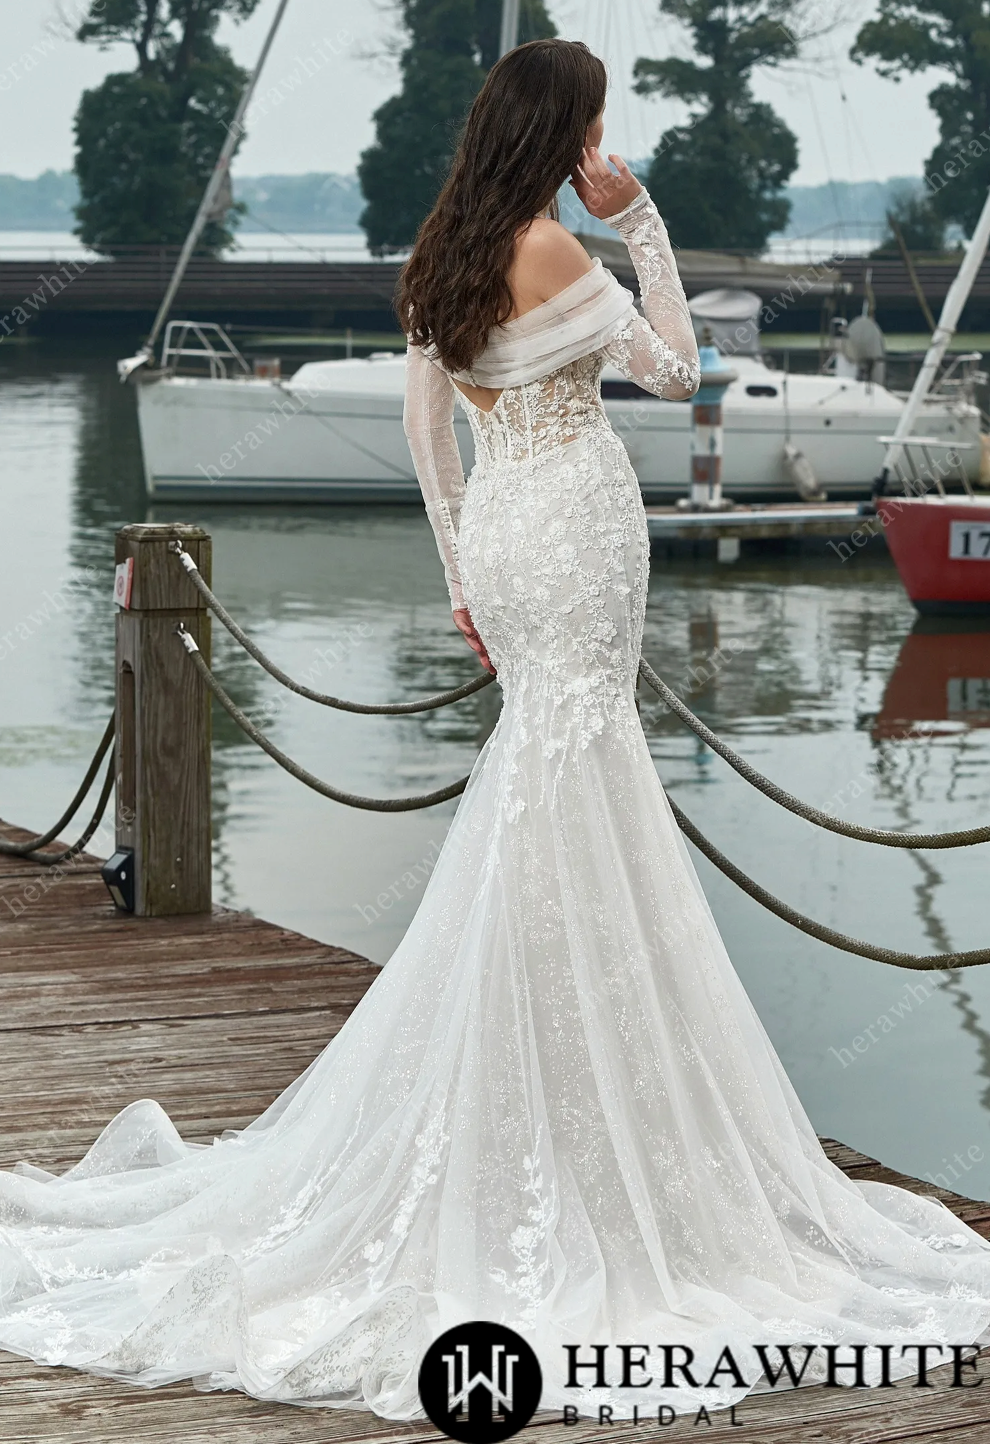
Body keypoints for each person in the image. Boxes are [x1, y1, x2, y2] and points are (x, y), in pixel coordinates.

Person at [0, 37, 988, 1425]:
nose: (600, 148)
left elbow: (429, 439)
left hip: (510, 540)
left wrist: (464, 576)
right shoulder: (555, 250)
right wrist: (642, 220)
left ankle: (536, 1066)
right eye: (592, 129)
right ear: (561, 135)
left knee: (545, 781)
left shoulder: (437, 260)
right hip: (577, 525)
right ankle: (584, 1093)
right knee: (583, 781)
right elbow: (675, 372)